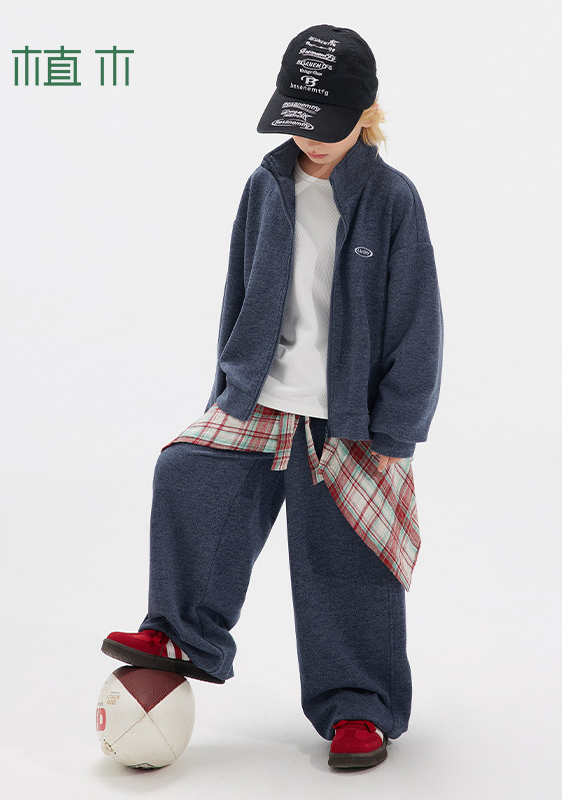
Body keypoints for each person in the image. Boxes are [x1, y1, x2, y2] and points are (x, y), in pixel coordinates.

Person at [102, 23, 443, 770]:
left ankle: (359, 705)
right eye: (297, 119)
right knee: (187, 474)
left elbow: (419, 323)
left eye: (325, 122)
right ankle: (179, 631)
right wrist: (225, 393)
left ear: (366, 112)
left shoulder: (392, 200)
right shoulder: (265, 187)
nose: (309, 136)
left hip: (349, 421)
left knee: (346, 561)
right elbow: (239, 295)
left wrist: (397, 432)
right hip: (260, 398)